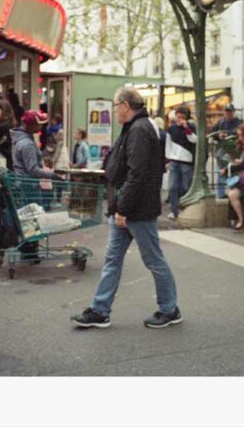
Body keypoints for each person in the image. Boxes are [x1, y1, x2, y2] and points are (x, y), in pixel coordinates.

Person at [71, 87, 181, 329]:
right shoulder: (138, 128)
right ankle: (100, 310)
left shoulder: (138, 130)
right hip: (130, 208)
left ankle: (169, 308)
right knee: (114, 259)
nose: (113, 111)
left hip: (134, 210)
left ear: (125, 106)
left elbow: (137, 173)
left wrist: (122, 209)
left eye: (114, 105)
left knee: (153, 260)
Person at [10, 109, 57, 261]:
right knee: (32, 218)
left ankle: (28, 249)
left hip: (22, 184)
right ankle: (30, 251)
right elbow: (32, 169)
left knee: (27, 218)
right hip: (28, 186)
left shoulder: (19, 140)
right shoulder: (27, 144)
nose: (41, 127)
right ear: (31, 125)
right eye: (39, 124)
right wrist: (51, 174)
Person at [164, 105, 197, 220]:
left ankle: (184, 208)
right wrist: (168, 158)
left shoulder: (191, 127)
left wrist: (186, 128)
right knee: (172, 186)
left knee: (185, 186)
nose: (180, 119)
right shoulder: (171, 129)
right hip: (174, 160)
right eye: (178, 116)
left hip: (186, 161)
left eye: (182, 117)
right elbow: (168, 144)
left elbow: (194, 140)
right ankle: (174, 210)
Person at [212, 103, 243, 199]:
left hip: (234, 151)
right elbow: (213, 133)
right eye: (227, 111)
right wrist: (219, 135)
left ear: (233, 112)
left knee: (233, 172)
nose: (228, 114)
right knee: (221, 172)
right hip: (222, 150)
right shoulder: (220, 122)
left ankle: (234, 191)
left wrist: (232, 136)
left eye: (230, 111)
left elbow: (241, 134)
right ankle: (221, 194)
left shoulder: (238, 122)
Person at [224, 123, 244, 230]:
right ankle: (238, 218)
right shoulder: (242, 147)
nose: (239, 138)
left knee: (233, 194)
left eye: (241, 135)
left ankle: (241, 219)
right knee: (231, 192)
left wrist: (240, 163)